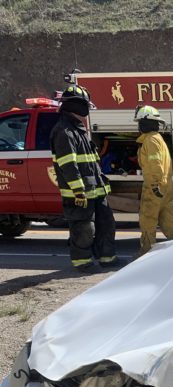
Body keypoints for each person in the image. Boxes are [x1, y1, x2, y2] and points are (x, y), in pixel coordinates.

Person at [50, 84, 116, 271]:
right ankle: (83, 263)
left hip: (95, 191)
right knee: (84, 229)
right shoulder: (64, 131)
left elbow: (91, 164)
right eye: (85, 105)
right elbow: (68, 165)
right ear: (76, 105)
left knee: (106, 224)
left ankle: (107, 258)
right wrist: (78, 191)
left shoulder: (78, 130)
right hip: (80, 194)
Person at [134, 105, 173, 255]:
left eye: (140, 122)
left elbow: (156, 164)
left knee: (148, 220)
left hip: (154, 187)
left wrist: (154, 185)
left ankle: (146, 252)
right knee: (167, 221)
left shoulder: (150, 140)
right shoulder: (158, 138)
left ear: (145, 123)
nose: (139, 125)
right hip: (166, 186)